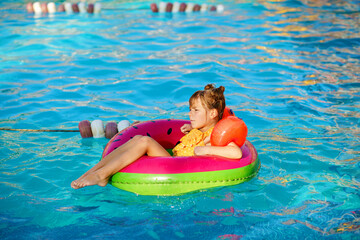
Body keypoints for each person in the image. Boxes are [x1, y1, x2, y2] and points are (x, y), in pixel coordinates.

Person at [71, 84, 242, 189]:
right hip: (173, 158)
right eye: (190, 109)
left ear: (213, 113)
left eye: (195, 111)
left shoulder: (215, 135)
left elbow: (236, 153)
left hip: (176, 167)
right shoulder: (200, 128)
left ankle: (101, 176)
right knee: (136, 139)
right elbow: (200, 127)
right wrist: (193, 127)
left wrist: (204, 149)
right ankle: (94, 171)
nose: (190, 114)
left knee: (144, 141)